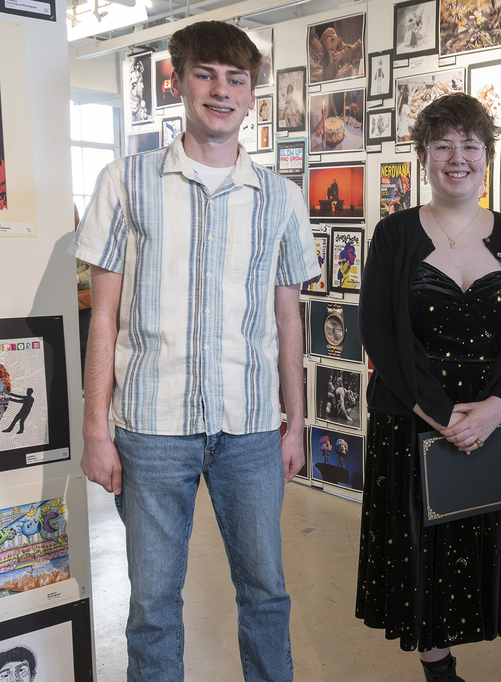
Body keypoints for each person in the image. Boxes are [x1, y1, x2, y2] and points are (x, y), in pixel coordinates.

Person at [70, 21, 319, 682]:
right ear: (177, 81)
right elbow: (104, 318)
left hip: (251, 430)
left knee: (266, 594)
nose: (221, 90)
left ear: (251, 94)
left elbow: (288, 320)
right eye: (205, 74)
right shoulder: (124, 182)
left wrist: (297, 422)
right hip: (152, 429)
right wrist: (96, 428)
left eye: (236, 79)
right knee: (153, 605)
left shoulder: (282, 199)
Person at [356, 92, 501, 682]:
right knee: (425, 553)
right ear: (423, 155)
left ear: (488, 156)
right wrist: (441, 415)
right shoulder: (393, 235)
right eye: (442, 144)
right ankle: (439, 671)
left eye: (470, 144)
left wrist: (492, 410)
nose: (457, 157)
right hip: (414, 420)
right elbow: (379, 332)